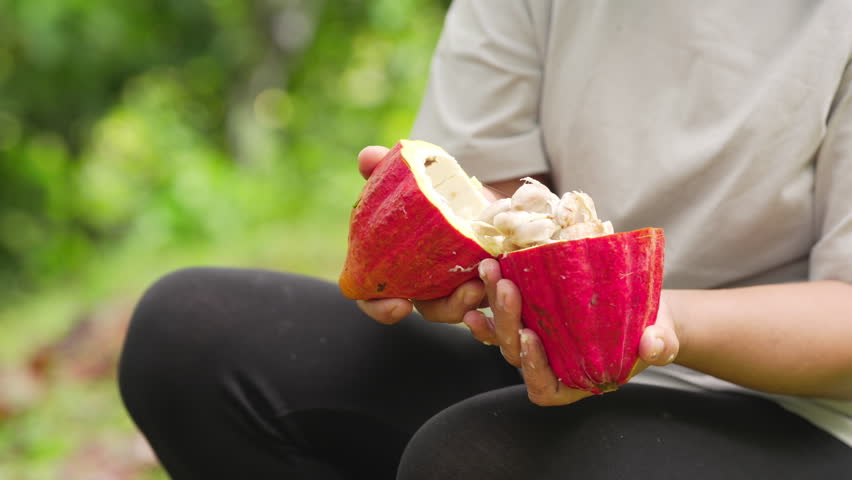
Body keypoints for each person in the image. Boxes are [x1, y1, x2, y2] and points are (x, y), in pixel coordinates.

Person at [118, 1, 852, 478]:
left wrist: (651, 319)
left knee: (473, 462)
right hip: (546, 356)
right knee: (188, 336)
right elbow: (502, 192)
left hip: (799, 412)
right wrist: (441, 245)